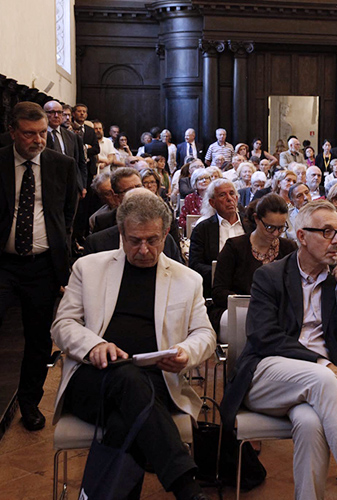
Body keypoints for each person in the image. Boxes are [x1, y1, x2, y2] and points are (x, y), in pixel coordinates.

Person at [51, 189, 216, 500]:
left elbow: (205, 335)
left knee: (125, 419)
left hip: (156, 383)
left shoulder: (187, 279)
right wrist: (93, 345)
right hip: (93, 381)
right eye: (134, 240)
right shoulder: (89, 268)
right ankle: (187, 488)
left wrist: (185, 353)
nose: (143, 249)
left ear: (166, 233)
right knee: (127, 378)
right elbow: (63, 325)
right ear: (121, 234)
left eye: (152, 240)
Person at [221, 200, 337, 500]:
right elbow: (263, 337)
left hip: (317, 389)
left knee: (311, 424)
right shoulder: (270, 276)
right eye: (326, 232)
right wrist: (324, 365)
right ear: (301, 236)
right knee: (321, 378)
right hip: (267, 376)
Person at [0, 102, 78, 431]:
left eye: (43, 133)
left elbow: (67, 212)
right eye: (30, 134)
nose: (38, 140)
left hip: (43, 265)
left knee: (38, 338)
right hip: (3, 263)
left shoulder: (62, 164)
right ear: (13, 132)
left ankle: (29, 402)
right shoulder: (1, 162)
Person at [211, 193, 297, 331]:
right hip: (240, 311)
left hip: (277, 311)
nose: (276, 234)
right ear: (257, 219)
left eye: (281, 228)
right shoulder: (235, 247)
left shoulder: (289, 248)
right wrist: (248, 301)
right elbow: (218, 292)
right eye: (270, 227)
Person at [188, 178, 247, 297]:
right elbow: (195, 265)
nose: (229, 199)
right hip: (216, 291)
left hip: (249, 288)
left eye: (232, 194)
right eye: (222, 195)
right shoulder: (202, 229)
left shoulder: (251, 224)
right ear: (212, 203)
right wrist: (221, 273)